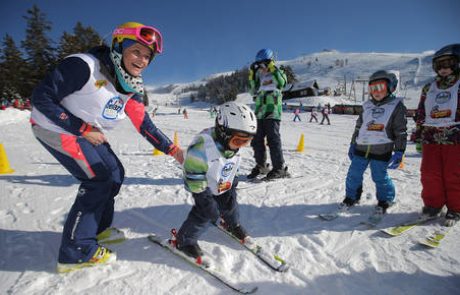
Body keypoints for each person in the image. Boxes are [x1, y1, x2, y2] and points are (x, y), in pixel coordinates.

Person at [30, 21, 184, 272]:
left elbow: (146, 125)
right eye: (136, 51)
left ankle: (96, 231)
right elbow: (41, 97)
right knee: (98, 180)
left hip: (85, 130)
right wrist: (82, 129)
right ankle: (76, 251)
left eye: (147, 56)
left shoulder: (129, 86)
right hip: (53, 127)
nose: (142, 60)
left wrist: (173, 150)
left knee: (115, 174)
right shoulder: (83, 66)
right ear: (118, 46)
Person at [175, 102, 257, 259]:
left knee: (230, 204)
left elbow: (232, 164)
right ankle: (184, 241)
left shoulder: (232, 146)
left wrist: (233, 180)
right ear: (223, 132)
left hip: (222, 181)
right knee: (204, 213)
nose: (242, 146)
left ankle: (232, 224)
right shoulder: (202, 147)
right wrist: (205, 200)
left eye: (247, 141)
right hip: (201, 185)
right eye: (239, 141)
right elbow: (194, 175)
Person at [341, 70, 407, 217]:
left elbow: (400, 131)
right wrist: (353, 144)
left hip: (381, 150)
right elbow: (359, 127)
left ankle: (386, 200)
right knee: (353, 174)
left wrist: (399, 151)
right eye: (372, 88)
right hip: (361, 148)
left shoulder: (396, 106)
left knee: (379, 176)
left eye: (380, 88)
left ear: (391, 87)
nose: (376, 92)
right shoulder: (367, 106)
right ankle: (351, 197)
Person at [415, 44, 460, 226]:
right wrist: (418, 134)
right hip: (431, 136)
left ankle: (455, 207)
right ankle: (433, 205)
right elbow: (421, 112)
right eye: (438, 65)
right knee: (429, 173)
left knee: (453, 173)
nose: (443, 69)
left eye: (447, 63)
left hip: (455, 137)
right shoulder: (429, 88)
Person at [247, 48, 289, 180]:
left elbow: (283, 82)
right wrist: (252, 73)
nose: (261, 68)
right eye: (259, 65)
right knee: (256, 140)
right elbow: (252, 90)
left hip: (272, 111)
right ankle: (261, 165)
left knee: (273, 140)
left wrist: (273, 68)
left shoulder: (278, 73)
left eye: (264, 64)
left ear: (270, 62)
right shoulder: (260, 77)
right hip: (259, 112)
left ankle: (279, 168)